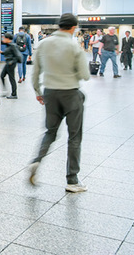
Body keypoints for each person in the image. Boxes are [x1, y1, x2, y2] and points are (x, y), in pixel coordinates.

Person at [29, 13, 91, 193]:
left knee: (50, 132)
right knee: (74, 137)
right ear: (73, 27)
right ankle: (72, 180)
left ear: (59, 26)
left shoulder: (43, 44)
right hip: (71, 93)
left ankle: (36, 161)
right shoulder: (74, 46)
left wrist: (38, 92)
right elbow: (85, 75)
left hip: (50, 93)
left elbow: (35, 73)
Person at [0, 32, 20, 99]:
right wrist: (2, 52)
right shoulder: (9, 45)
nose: (3, 39)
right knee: (2, 76)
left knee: (11, 78)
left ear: (7, 38)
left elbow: (17, 56)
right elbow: (9, 53)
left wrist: (12, 62)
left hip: (11, 64)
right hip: (8, 63)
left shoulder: (13, 45)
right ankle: (5, 92)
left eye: (4, 37)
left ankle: (14, 94)